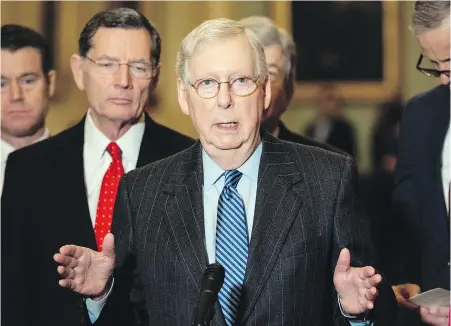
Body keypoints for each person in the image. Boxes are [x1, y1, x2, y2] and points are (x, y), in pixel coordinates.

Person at [54, 18, 397, 326]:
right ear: (184, 97)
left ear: (264, 93)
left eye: (240, 81)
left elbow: (369, 304)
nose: (224, 100)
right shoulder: (142, 191)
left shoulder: (327, 180)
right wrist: (101, 296)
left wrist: (355, 314)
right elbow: (132, 316)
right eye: (207, 83)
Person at [1, 8, 194, 326]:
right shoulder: (28, 168)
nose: (123, 81)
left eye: (138, 66)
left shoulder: (189, 160)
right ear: (79, 71)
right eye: (107, 65)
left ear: (156, 76)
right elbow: (13, 295)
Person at [392, 1, 450, 325]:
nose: (444, 79)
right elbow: (405, 213)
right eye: (435, 64)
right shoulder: (420, 114)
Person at [238, 16, 344, 154]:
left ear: (288, 90)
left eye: (270, 73)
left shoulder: (330, 169)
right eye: (243, 74)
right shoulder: (202, 162)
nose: (257, 86)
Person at [1, 24, 56, 194]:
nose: (16, 95)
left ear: (51, 83)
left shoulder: (83, 166)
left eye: (28, 81)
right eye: (1, 84)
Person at [306, 84, 357, 157]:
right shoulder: (310, 128)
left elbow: (350, 158)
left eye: (335, 100)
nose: (332, 104)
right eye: (327, 99)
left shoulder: (345, 129)